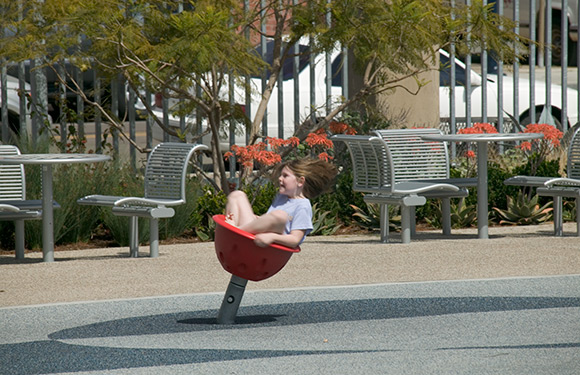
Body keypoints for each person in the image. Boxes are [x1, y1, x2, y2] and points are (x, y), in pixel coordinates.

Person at [225, 158, 338, 248]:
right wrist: (257, 219)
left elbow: (295, 239)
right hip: (253, 236)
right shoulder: (281, 197)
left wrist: (272, 237)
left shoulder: (303, 206)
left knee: (280, 216)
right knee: (237, 195)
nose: (280, 179)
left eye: (285, 176)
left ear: (300, 181)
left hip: (270, 247)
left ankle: (234, 231)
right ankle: (233, 231)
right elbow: (268, 221)